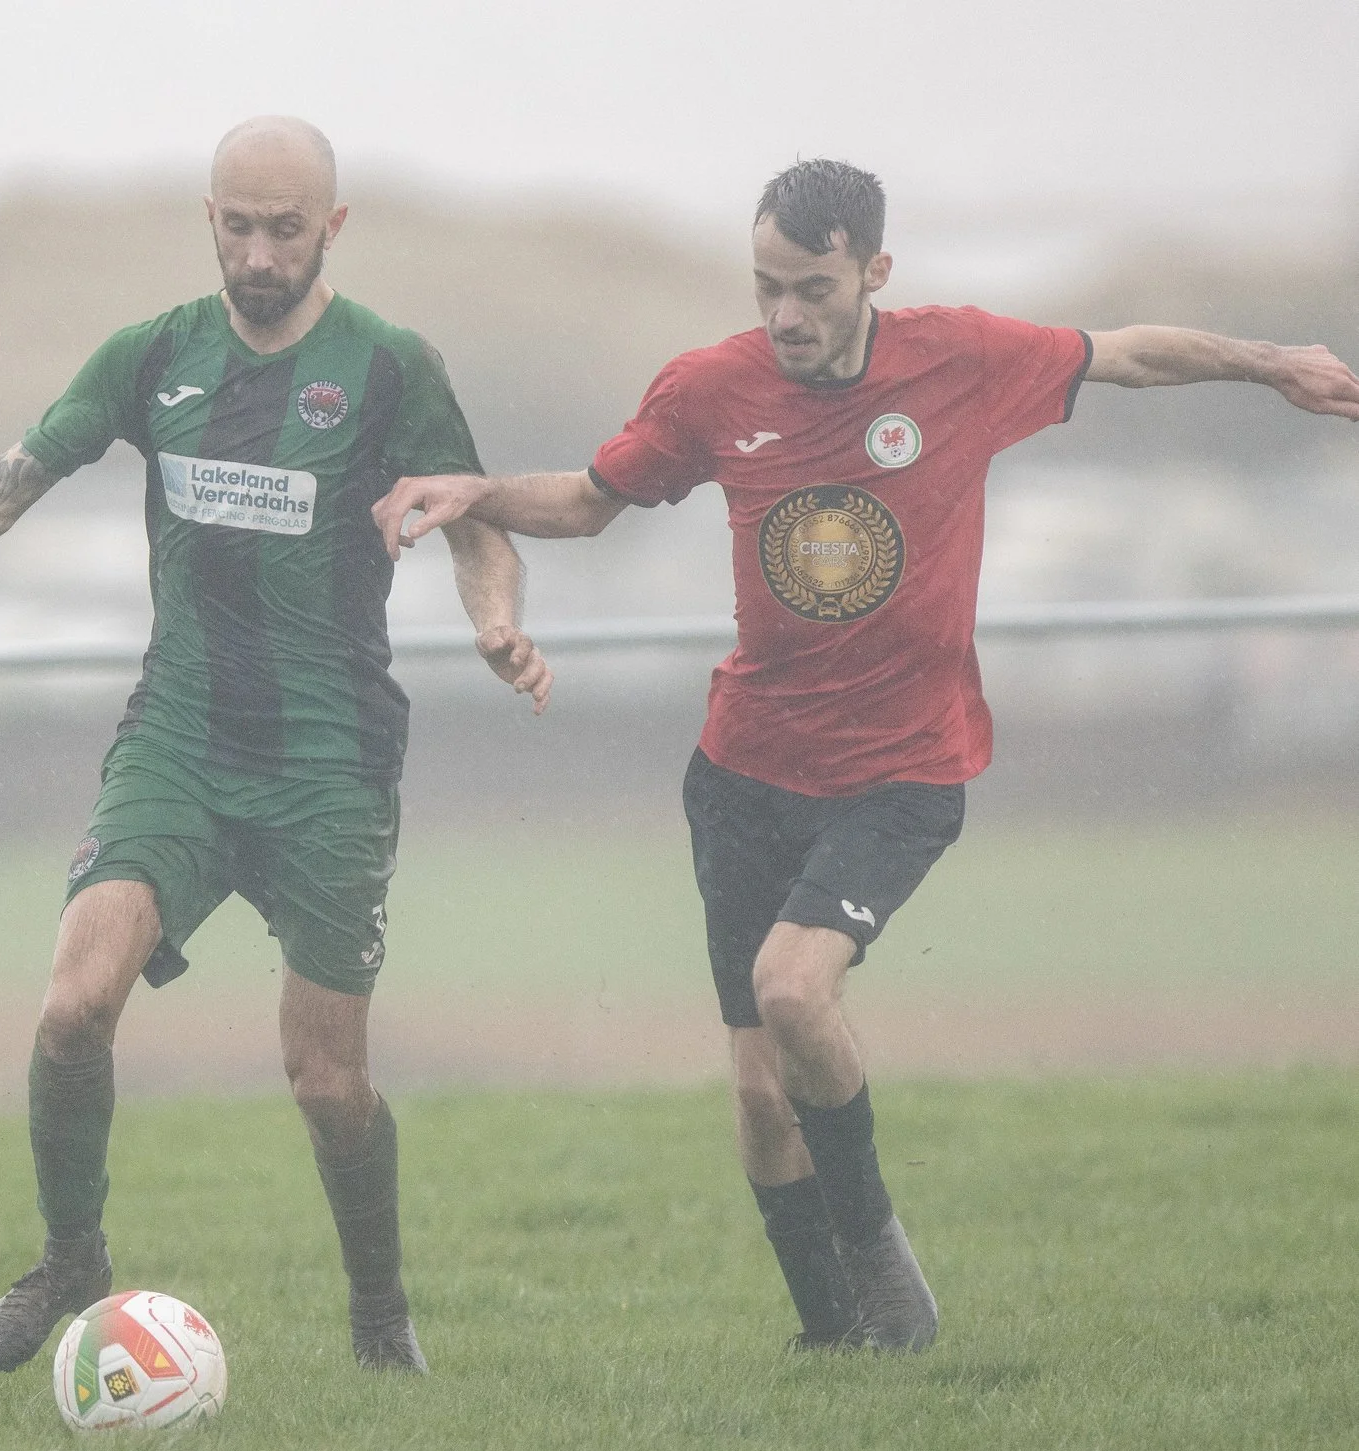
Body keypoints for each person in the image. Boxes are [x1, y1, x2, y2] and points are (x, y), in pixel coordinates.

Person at [374, 159, 1359, 1352]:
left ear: (872, 274)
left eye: (811, 288)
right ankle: (832, 1339)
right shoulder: (707, 388)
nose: (784, 314)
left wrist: (1274, 365)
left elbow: (1127, 351)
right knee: (753, 1087)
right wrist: (476, 490)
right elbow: (589, 500)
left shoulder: (963, 357)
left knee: (795, 989)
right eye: (765, 286)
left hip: (902, 770)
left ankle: (885, 1273)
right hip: (741, 773)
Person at [0, 117, 550, 1374]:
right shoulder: (153, 355)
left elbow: (472, 513)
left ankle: (380, 1319)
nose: (259, 252)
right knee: (71, 1006)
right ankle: (69, 1263)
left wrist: (495, 619)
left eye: (285, 228)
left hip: (329, 765)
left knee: (324, 1079)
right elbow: (5, 482)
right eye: (236, 224)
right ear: (208, 216)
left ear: (333, 226)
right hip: (179, 742)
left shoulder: (387, 366)